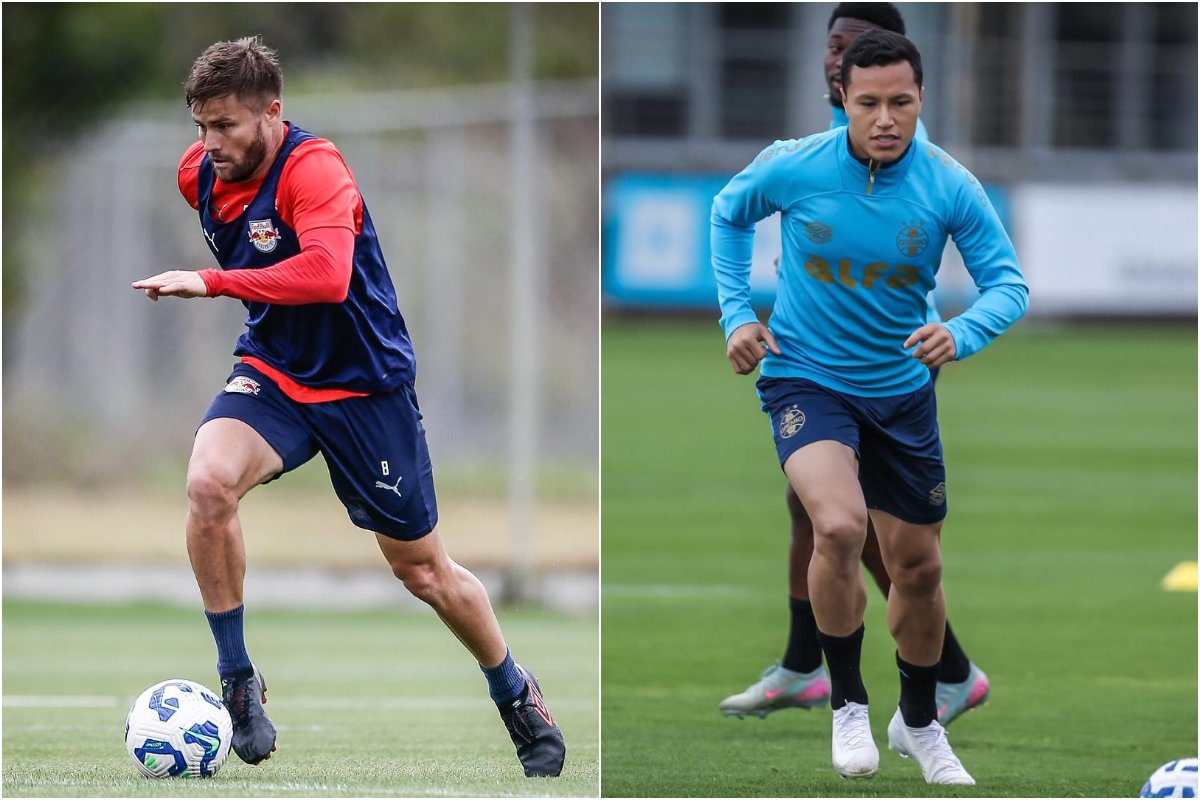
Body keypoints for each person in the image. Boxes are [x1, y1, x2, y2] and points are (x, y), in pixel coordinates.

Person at [131, 37, 565, 778]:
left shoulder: (315, 170)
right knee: (208, 485)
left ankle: (514, 691)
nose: (210, 144)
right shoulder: (199, 173)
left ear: (273, 112)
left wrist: (213, 281)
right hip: (274, 372)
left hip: (366, 386)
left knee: (424, 572)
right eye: (201, 126)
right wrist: (228, 283)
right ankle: (238, 680)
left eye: (227, 126)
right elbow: (254, 242)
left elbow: (330, 277)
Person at [711, 30, 1027, 784]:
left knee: (919, 569)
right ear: (843, 103)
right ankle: (846, 704)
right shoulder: (797, 165)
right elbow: (727, 214)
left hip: (902, 394)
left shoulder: (949, 186)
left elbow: (1008, 285)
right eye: (868, 104)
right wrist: (736, 314)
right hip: (807, 379)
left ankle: (919, 723)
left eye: (901, 102)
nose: (885, 118)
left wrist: (961, 332)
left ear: (921, 101)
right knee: (839, 525)